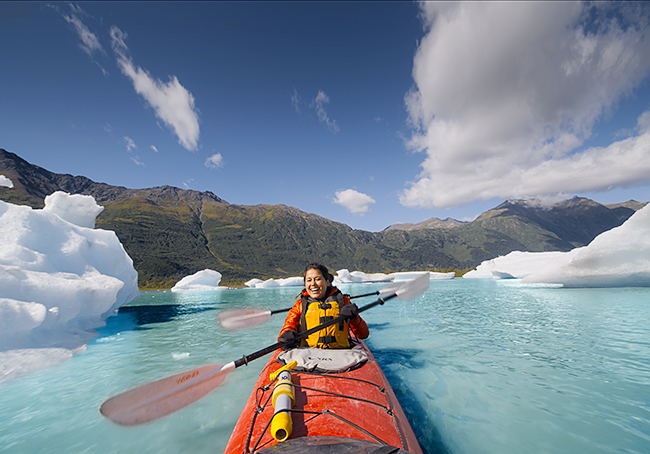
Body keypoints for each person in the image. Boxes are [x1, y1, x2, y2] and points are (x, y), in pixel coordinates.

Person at [277, 263, 369, 349]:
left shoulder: (343, 302)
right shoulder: (300, 305)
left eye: (317, 279)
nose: (313, 284)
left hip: (340, 354)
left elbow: (363, 334)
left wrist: (354, 318)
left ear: (327, 281)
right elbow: (288, 327)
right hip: (308, 354)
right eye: (309, 280)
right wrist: (287, 334)